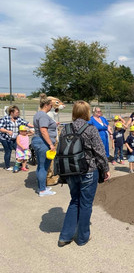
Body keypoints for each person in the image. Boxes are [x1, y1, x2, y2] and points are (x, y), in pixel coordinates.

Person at [58, 100, 110, 247]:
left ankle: (65, 236)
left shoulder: (65, 129)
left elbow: (60, 151)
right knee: (86, 204)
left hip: (70, 170)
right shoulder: (91, 129)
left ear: (74, 112)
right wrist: (105, 169)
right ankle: (82, 238)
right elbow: (99, 151)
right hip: (88, 170)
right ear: (87, 112)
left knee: (74, 200)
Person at [31, 94, 58, 197]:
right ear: (46, 105)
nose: (51, 107)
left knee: (41, 166)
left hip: (39, 141)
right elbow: (43, 130)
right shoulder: (43, 115)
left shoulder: (38, 114)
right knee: (43, 167)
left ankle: (41, 186)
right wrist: (51, 144)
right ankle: (42, 190)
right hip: (43, 143)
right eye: (51, 105)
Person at [0, 105, 32, 171]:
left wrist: (36, 126)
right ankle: (7, 166)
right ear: (11, 112)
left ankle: (20, 164)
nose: (18, 113)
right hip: (5, 139)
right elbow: (1, 128)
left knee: (18, 150)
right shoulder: (5, 119)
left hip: (15, 138)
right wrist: (7, 131)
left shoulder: (18, 119)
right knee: (8, 151)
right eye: (17, 112)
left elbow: (27, 123)